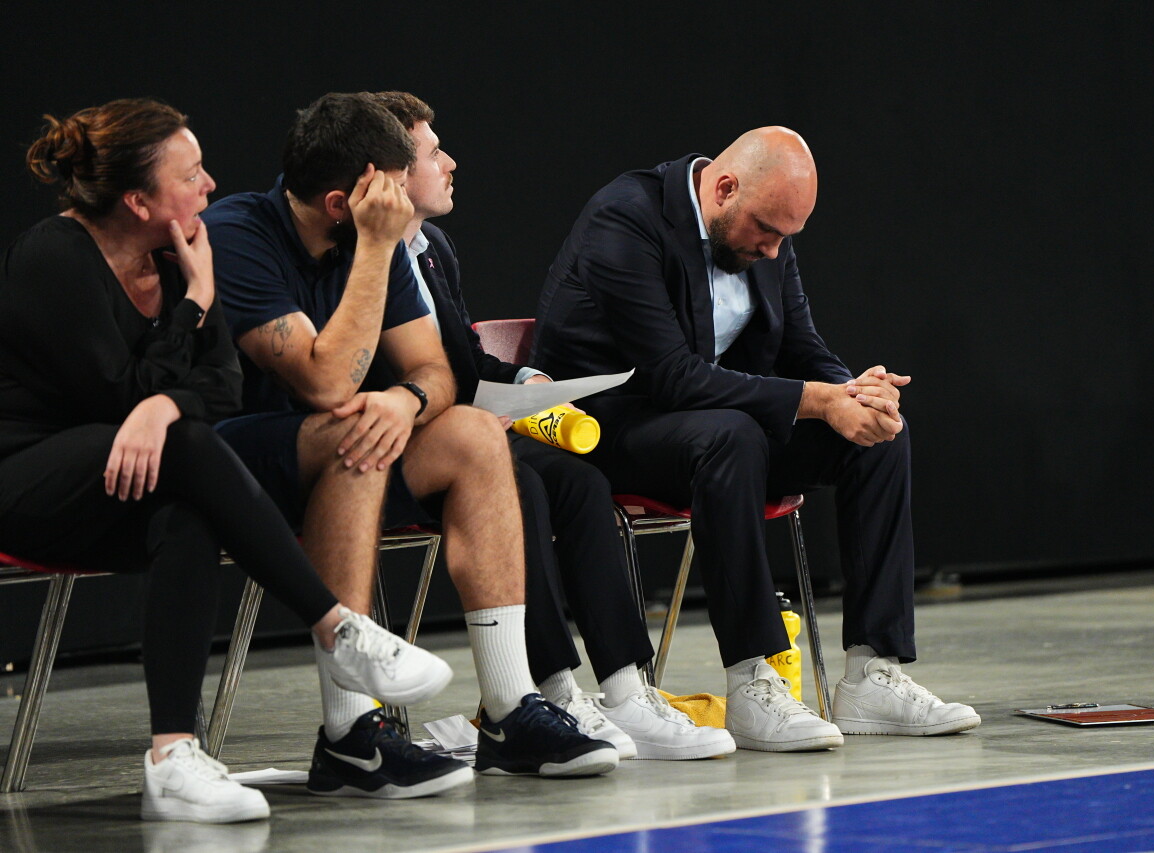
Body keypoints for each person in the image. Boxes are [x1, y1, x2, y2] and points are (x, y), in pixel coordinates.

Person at [0, 99, 456, 823]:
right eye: (191, 176)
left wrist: (171, 378)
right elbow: (114, 394)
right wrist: (196, 310)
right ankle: (337, 626)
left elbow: (221, 386)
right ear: (137, 198)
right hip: (28, 478)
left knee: (188, 511)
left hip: (130, 476)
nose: (210, 185)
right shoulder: (54, 256)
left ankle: (172, 757)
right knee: (184, 444)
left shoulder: (183, 253)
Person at [204, 93, 617, 788]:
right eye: (394, 184)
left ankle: (511, 707)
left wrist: (407, 400)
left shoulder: (379, 239)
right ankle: (351, 730)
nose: (404, 199)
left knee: (470, 431)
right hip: (231, 454)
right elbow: (325, 380)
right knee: (353, 427)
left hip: (337, 438)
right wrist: (373, 247)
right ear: (347, 200)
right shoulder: (240, 232)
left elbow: (436, 372)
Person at [533, 127, 982, 752]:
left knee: (879, 438)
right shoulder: (625, 217)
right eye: (767, 232)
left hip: (713, 427)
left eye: (786, 237)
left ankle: (873, 673)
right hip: (608, 426)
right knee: (734, 436)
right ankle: (752, 679)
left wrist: (853, 394)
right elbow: (670, 376)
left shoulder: (765, 234)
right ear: (723, 189)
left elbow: (802, 345)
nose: (774, 251)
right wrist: (816, 401)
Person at [367, 91, 735, 761]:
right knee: (525, 487)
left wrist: (526, 383)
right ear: (390, 173)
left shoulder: (434, 249)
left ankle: (625, 687)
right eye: (431, 152)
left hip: (464, 431)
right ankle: (549, 688)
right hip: (400, 446)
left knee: (579, 482)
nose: (450, 162)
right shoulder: (361, 257)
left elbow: (467, 358)